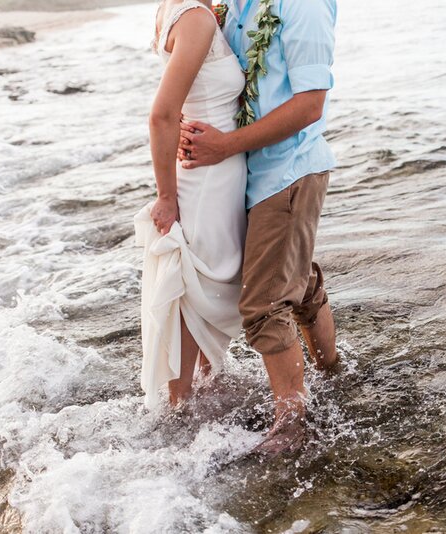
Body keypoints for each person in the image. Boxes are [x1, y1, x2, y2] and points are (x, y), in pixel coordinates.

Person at [177, 0, 339, 454]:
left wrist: (225, 145)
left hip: (288, 171)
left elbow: (309, 106)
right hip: (243, 175)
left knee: (265, 302)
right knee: (292, 281)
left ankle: (292, 424)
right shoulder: (233, 5)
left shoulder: (303, 5)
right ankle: (332, 372)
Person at [134, 0, 247, 408]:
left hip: (211, 170)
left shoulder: (178, 9)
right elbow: (161, 115)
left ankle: (203, 390)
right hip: (209, 178)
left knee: (203, 283)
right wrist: (166, 196)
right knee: (196, 286)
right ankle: (180, 404)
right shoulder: (197, 18)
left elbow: (187, 94)